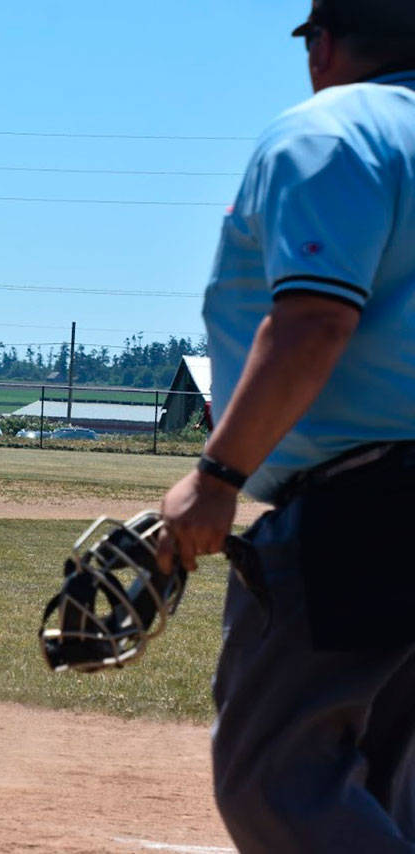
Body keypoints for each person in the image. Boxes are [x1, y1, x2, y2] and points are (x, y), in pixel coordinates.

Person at [156, 2, 415, 848]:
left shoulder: (335, 130)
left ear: (325, 45)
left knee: (280, 783)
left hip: (371, 507)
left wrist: (219, 474)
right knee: (387, 776)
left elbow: (312, 324)